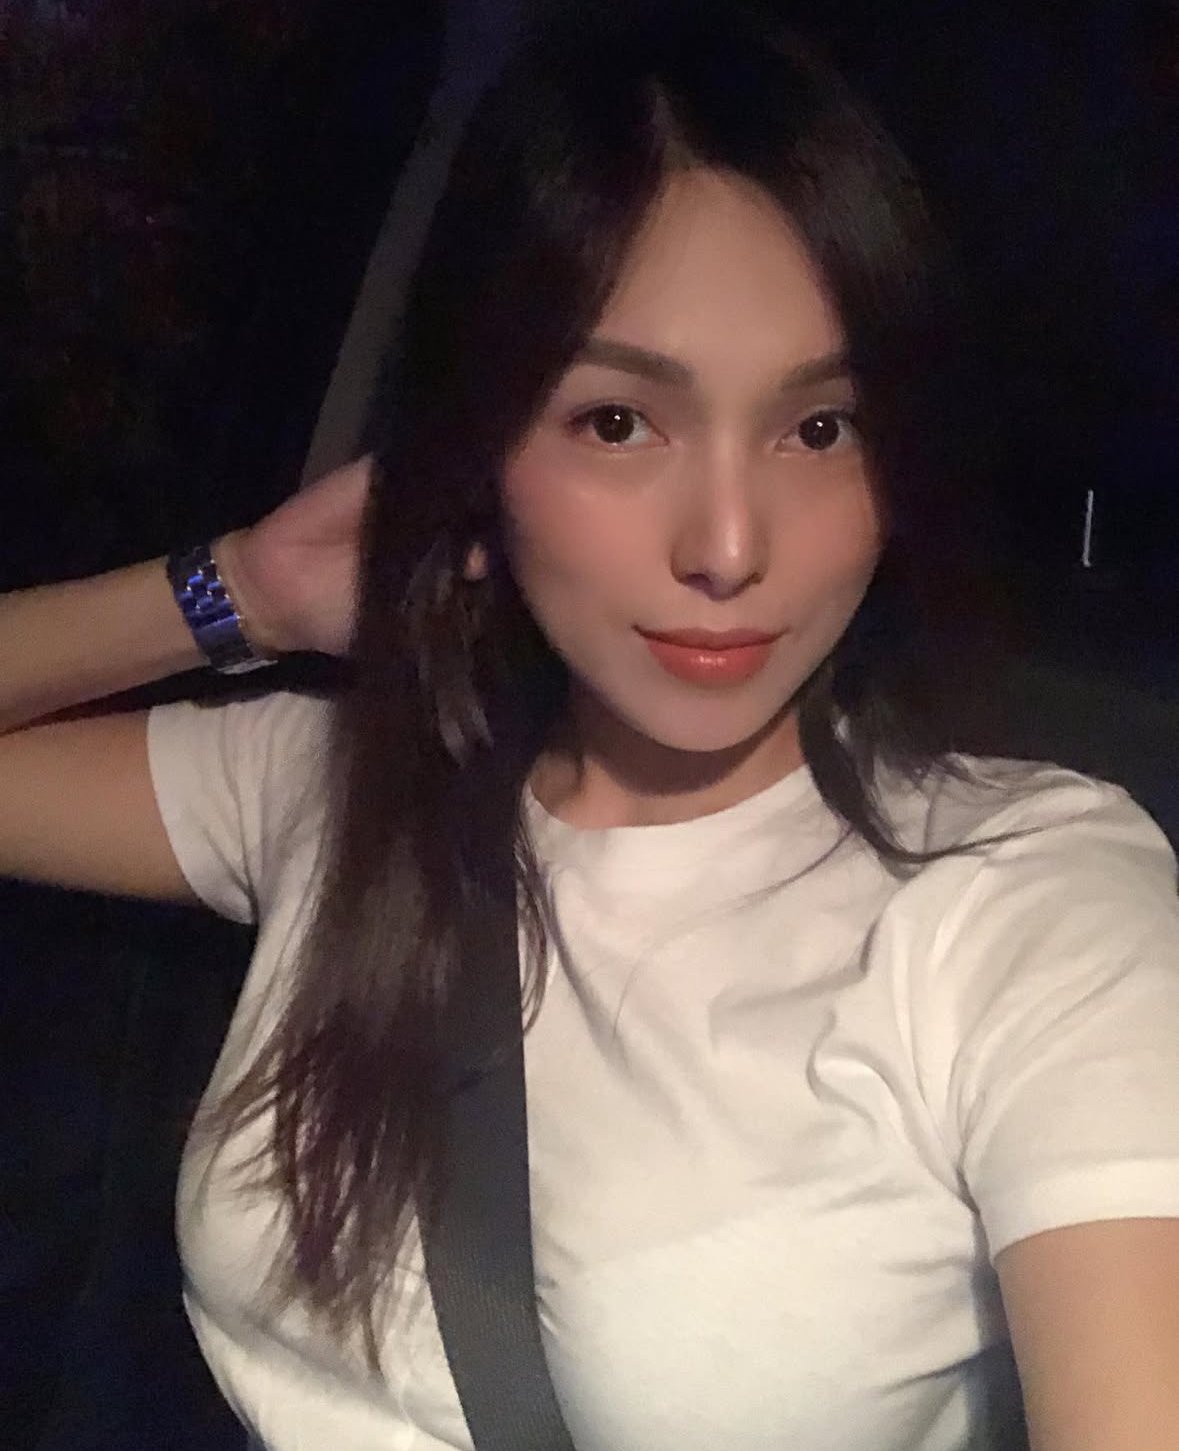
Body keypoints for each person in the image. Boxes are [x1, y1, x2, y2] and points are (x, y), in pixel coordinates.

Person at [2, 5, 1178, 1448]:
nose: (731, 547)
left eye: (821, 428)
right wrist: (238, 589)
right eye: (619, 422)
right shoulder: (345, 779)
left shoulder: (1023, 901)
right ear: (480, 439)